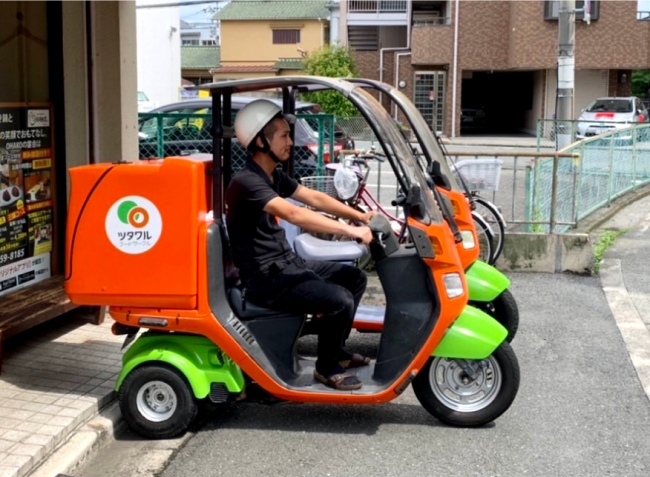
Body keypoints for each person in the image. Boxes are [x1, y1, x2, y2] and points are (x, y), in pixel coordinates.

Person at [225, 99, 374, 391]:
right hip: (265, 277)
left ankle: (337, 351)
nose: (291, 142)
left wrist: (359, 215)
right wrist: (351, 231)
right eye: (283, 135)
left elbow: (311, 197)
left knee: (353, 277)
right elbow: (295, 213)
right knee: (339, 299)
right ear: (259, 141)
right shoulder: (246, 182)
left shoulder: (271, 175)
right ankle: (326, 367)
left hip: (285, 263)